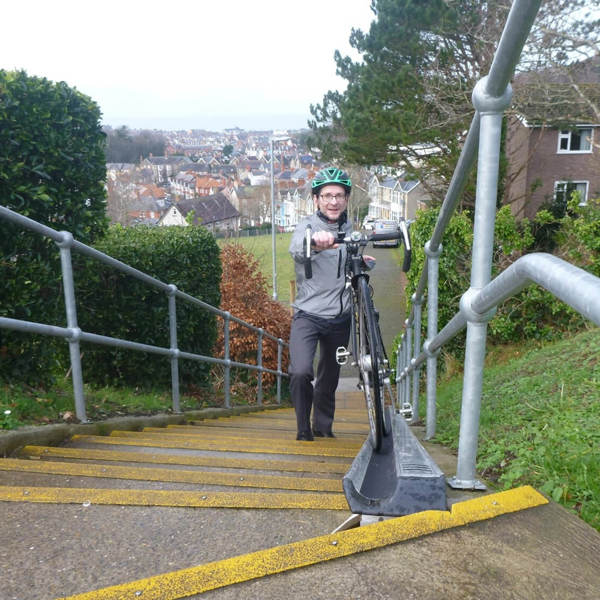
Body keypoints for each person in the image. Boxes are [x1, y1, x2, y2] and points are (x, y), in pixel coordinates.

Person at [288, 167, 357, 441]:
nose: (333, 201)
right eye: (327, 195)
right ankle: (303, 426)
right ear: (316, 200)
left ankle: (323, 427)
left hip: (340, 317)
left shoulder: (349, 227)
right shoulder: (307, 226)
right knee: (301, 370)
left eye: (339, 195)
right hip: (308, 314)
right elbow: (297, 248)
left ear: (346, 199)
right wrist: (315, 243)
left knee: (330, 376)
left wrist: (360, 263)